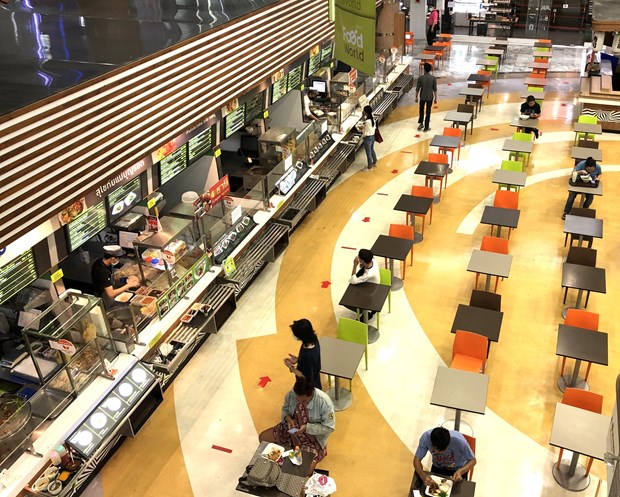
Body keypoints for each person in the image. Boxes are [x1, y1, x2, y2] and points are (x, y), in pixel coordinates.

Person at [259, 376, 335, 475]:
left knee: (306, 470)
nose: (299, 403)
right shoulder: (292, 394)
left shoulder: (324, 403)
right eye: (297, 399)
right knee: (263, 438)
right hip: (291, 430)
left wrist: (307, 427)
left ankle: (294, 455)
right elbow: (285, 409)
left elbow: (329, 427)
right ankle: (286, 456)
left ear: (311, 394)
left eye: (303, 401)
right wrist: (287, 418)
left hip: (312, 439)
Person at [284, 319, 322, 390]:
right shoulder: (313, 339)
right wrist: (298, 359)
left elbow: (306, 378)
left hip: (309, 388)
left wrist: (291, 368)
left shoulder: (308, 356)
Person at [415, 63, 437, 132]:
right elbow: (435, 89)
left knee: (421, 109)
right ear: (430, 69)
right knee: (428, 111)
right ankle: (426, 127)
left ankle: (421, 123)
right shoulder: (433, 78)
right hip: (430, 97)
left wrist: (416, 97)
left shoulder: (420, 78)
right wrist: (436, 98)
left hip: (422, 97)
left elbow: (417, 89)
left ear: (424, 69)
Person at [358, 105, 377, 171]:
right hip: (373, 137)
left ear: (366, 112)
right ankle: (374, 161)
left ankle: (370, 166)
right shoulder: (372, 119)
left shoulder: (367, 122)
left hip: (368, 138)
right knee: (372, 149)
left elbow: (365, 132)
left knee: (368, 152)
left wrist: (359, 129)